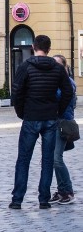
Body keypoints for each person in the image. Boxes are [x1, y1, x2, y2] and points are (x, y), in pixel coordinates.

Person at [9, 35, 73, 209]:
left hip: (31, 117)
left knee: (23, 159)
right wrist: (58, 110)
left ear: (33, 47)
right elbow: (68, 91)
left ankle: (17, 200)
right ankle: (43, 200)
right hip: (50, 118)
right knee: (47, 160)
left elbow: (16, 92)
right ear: (49, 49)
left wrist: (22, 112)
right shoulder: (58, 68)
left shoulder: (25, 66)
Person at [50, 54, 77, 205]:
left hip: (63, 123)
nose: (54, 67)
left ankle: (68, 191)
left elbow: (58, 97)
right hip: (55, 122)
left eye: (57, 64)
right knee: (54, 159)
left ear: (64, 66)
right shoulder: (59, 81)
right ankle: (61, 191)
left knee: (56, 159)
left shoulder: (68, 82)